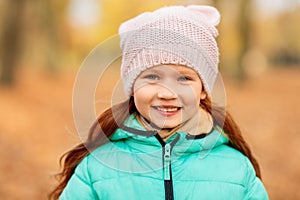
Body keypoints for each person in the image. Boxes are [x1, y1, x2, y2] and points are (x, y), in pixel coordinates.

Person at [50, 5, 269, 200]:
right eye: (152, 77)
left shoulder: (237, 170)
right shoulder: (96, 168)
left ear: (203, 89)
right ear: (133, 86)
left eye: (184, 78)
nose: (167, 93)